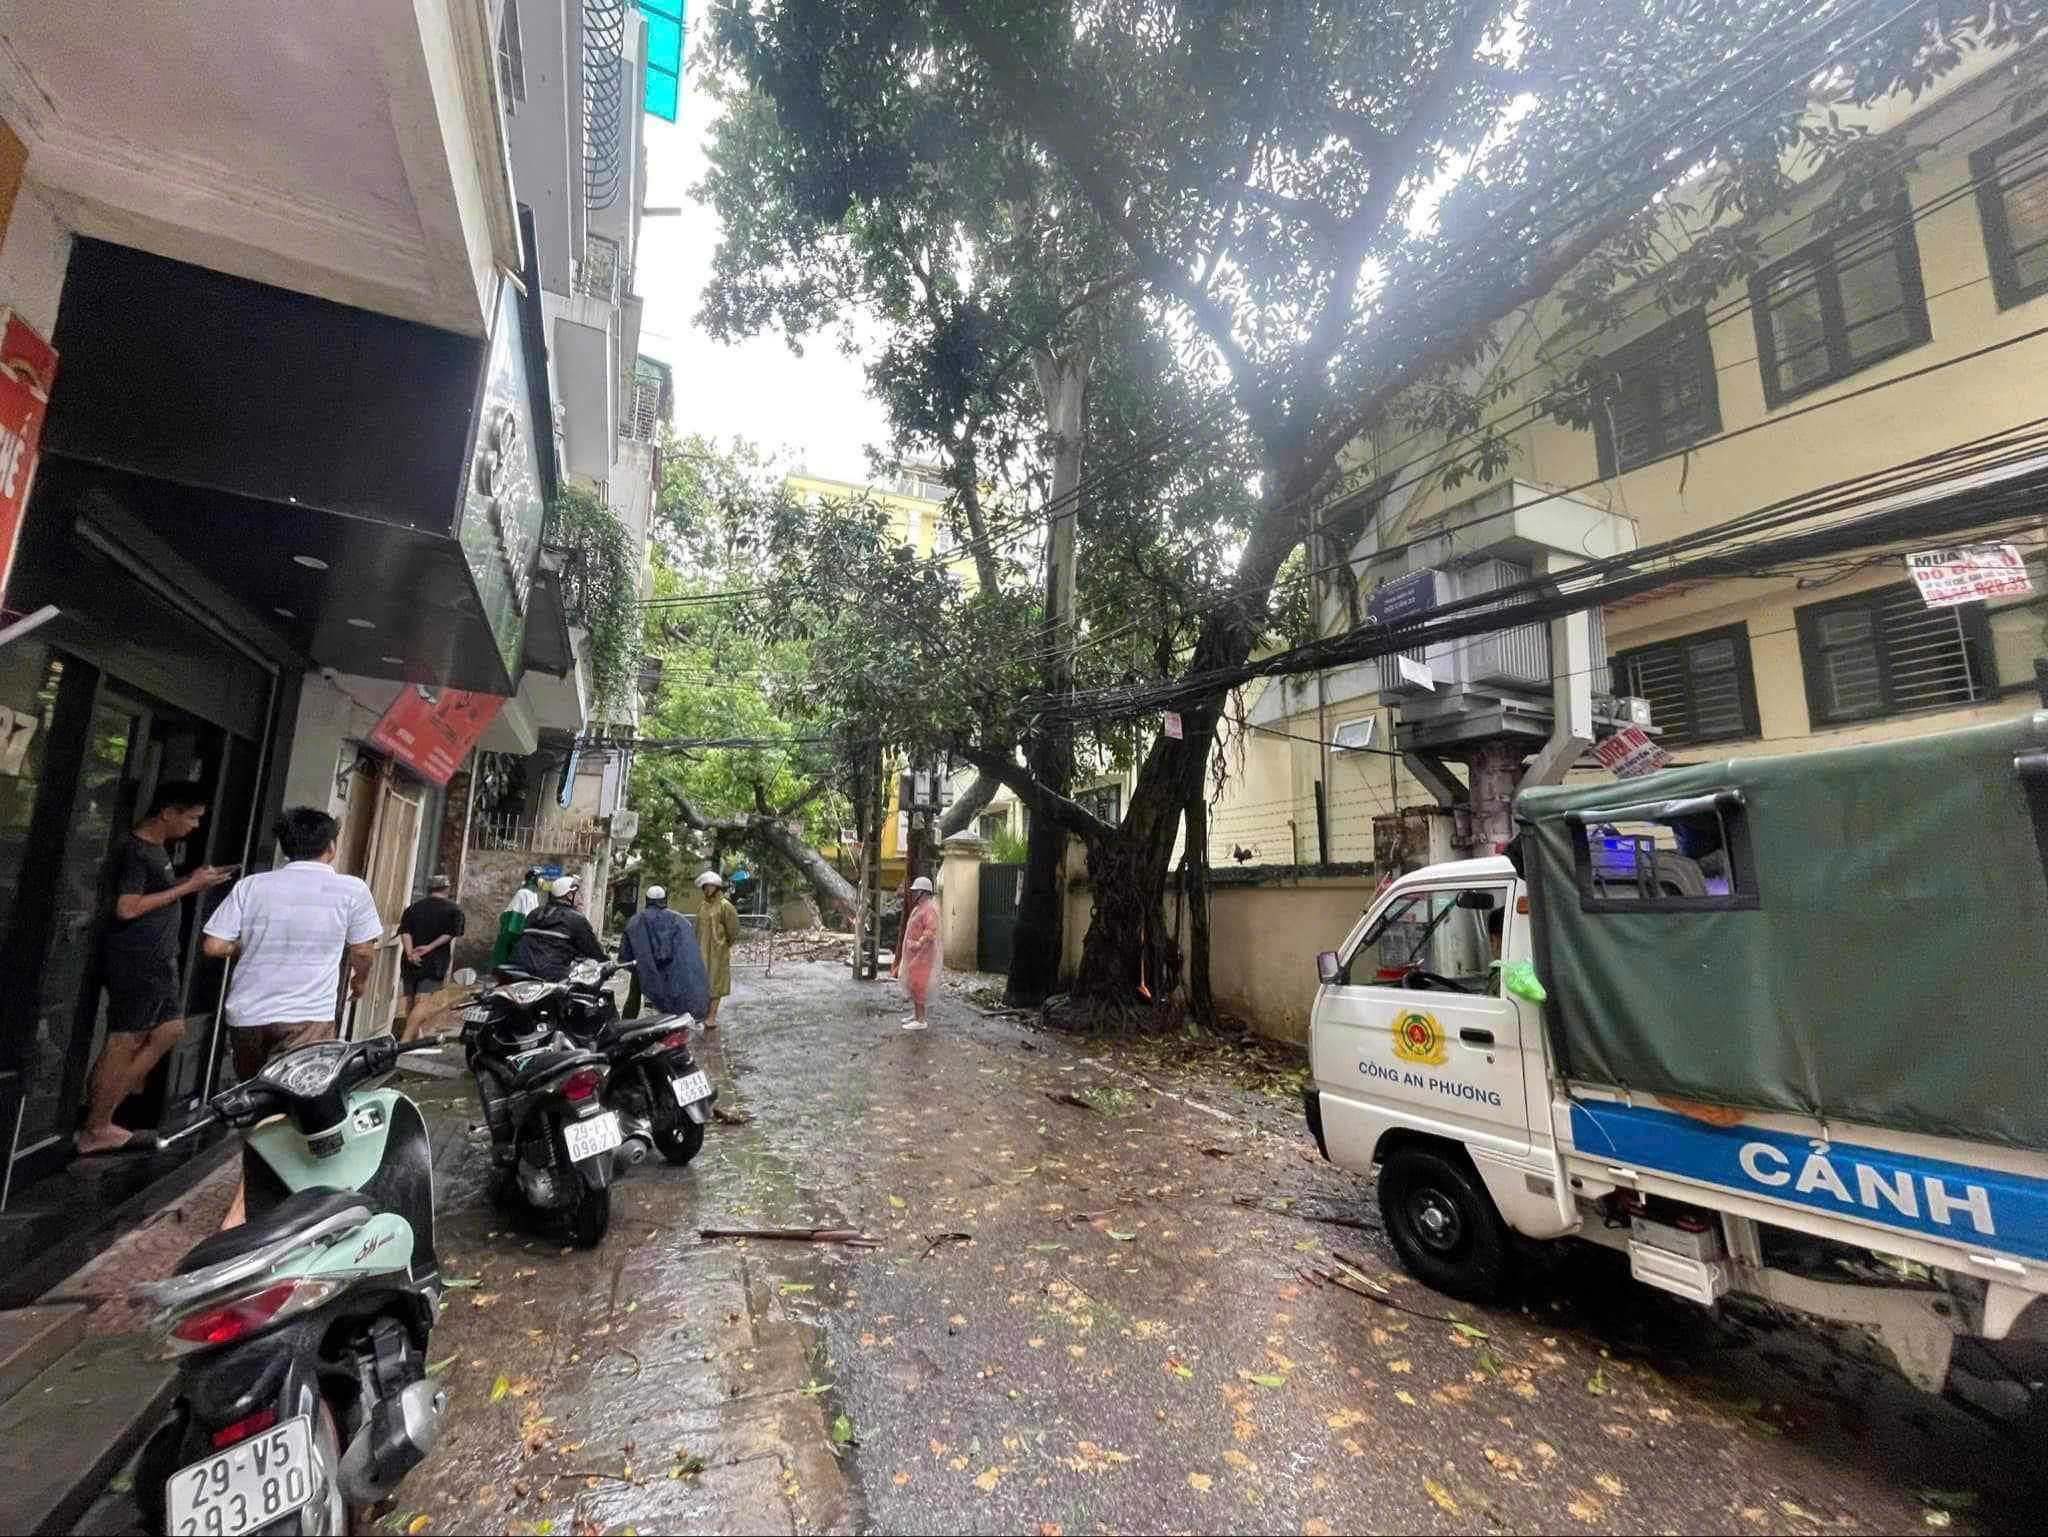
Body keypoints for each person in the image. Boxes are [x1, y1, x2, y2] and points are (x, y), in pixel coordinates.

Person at [202, 807, 384, 1228]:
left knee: (260, 1104)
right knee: (291, 1109)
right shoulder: (350, 889)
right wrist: (359, 983)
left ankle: (273, 1191)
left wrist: (246, 948)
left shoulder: (252, 886)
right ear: (331, 847)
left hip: (248, 1016)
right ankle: (244, 1210)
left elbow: (213, 946)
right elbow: (363, 950)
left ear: (286, 847)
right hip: (307, 1017)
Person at [76, 781, 233, 1156]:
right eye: (192, 818)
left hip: (159, 959)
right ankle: (96, 1126)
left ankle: (104, 1110)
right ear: (168, 813)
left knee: (170, 1030)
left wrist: (191, 882)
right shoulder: (136, 850)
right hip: (138, 958)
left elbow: (151, 895)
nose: (195, 826)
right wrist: (187, 887)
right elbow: (127, 908)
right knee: (125, 1039)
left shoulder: (156, 849)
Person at [617, 885, 712, 1021]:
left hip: (643, 968)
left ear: (647, 900)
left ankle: (626, 1024)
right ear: (664, 900)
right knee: (670, 998)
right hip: (670, 971)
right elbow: (688, 949)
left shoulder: (635, 920)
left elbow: (626, 953)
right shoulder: (678, 920)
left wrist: (639, 967)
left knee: (634, 996)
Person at [397, 874, 466, 1039]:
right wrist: (429, 948)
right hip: (435, 960)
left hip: (410, 959)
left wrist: (410, 953)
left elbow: (405, 931)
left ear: (429, 889)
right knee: (424, 1000)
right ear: (447, 889)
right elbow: (449, 934)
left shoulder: (413, 908)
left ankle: (416, 1037)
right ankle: (406, 1040)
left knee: (410, 998)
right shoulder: (454, 910)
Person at [512, 874, 606, 981]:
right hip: (552, 975)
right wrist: (606, 962)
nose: (581, 897)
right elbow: (592, 950)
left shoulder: (534, 913)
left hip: (521, 969)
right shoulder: (576, 918)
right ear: (569, 895)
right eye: (578, 894)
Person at [690, 870, 741, 1030]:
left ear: (717, 886)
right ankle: (703, 1014)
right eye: (705, 886)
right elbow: (697, 928)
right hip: (701, 950)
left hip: (717, 952)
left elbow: (733, 931)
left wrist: (722, 945)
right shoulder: (702, 906)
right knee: (703, 983)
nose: (707, 889)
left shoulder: (726, 906)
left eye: (710, 886)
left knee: (716, 985)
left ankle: (711, 1017)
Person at [893, 874, 941, 1030]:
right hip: (915, 954)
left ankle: (921, 1020)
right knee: (914, 983)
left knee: (919, 984)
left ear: (924, 892)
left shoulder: (929, 909)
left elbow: (930, 931)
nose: (914, 894)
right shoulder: (919, 908)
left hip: (923, 955)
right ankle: (916, 1014)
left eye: (916, 891)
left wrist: (919, 944)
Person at [490, 867, 543, 969]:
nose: (542, 880)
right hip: (517, 931)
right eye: (540, 877)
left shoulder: (533, 894)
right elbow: (517, 916)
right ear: (533, 878)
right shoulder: (523, 893)